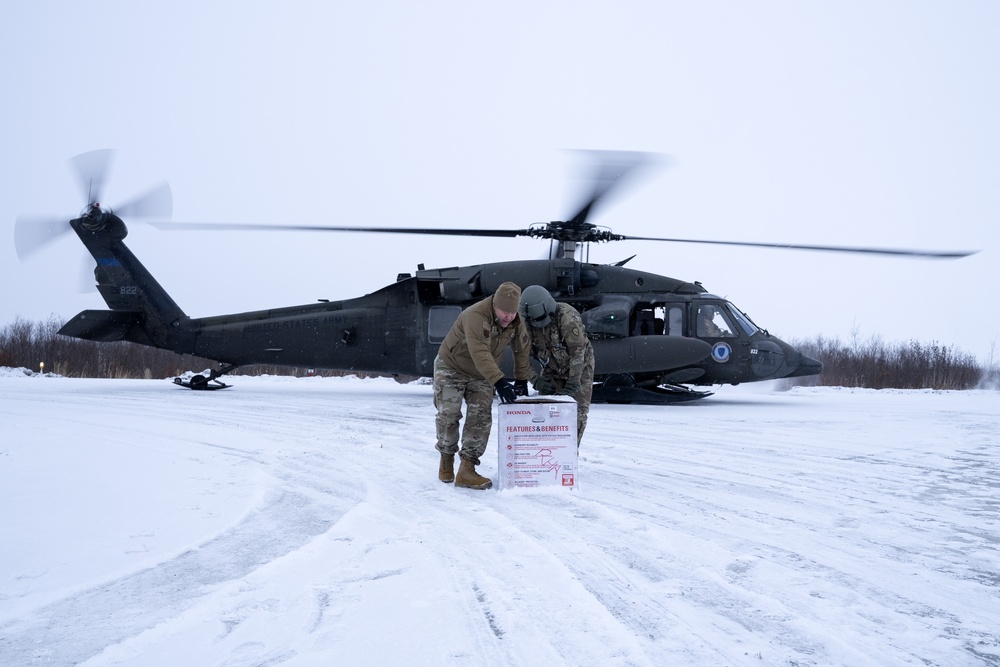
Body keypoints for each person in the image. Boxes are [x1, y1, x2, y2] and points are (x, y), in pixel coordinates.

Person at [434, 281, 532, 490]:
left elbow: (522, 348)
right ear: (494, 305)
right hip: (452, 367)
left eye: (512, 313)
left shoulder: (515, 320)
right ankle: (446, 457)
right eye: (504, 312)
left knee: (481, 417)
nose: (508, 317)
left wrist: (522, 379)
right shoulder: (475, 315)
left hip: (482, 373)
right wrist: (499, 380)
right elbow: (479, 351)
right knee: (449, 415)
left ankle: (467, 468)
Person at [518, 285, 595, 447]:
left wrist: (573, 383)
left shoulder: (567, 319)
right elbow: (521, 356)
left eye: (539, 319)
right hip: (551, 366)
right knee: (545, 411)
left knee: (576, 413)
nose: (536, 324)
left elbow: (577, 353)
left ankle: (569, 454)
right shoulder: (526, 322)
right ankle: (546, 453)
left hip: (579, 367)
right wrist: (536, 380)